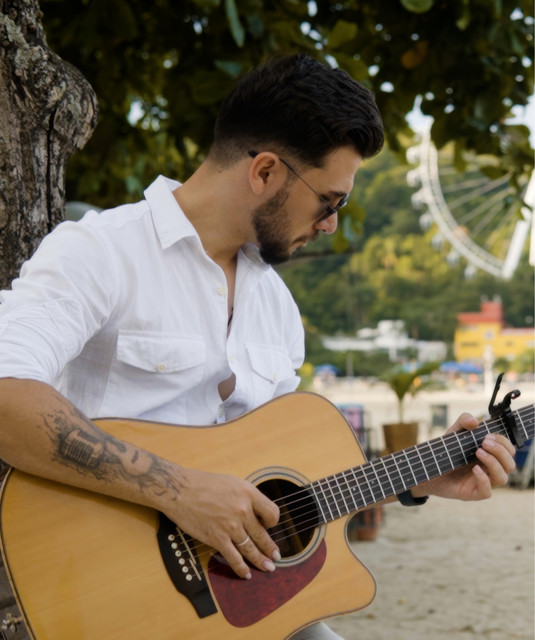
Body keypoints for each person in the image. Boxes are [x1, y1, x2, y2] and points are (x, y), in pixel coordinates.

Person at [0, 54, 516, 640]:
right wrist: (180, 490)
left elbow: (285, 487)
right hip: (90, 592)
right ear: (265, 171)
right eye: (330, 201)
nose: (331, 224)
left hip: (234, 602)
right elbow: (5, 394)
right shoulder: (100, 253)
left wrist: (416, 478)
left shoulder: (276, 307)